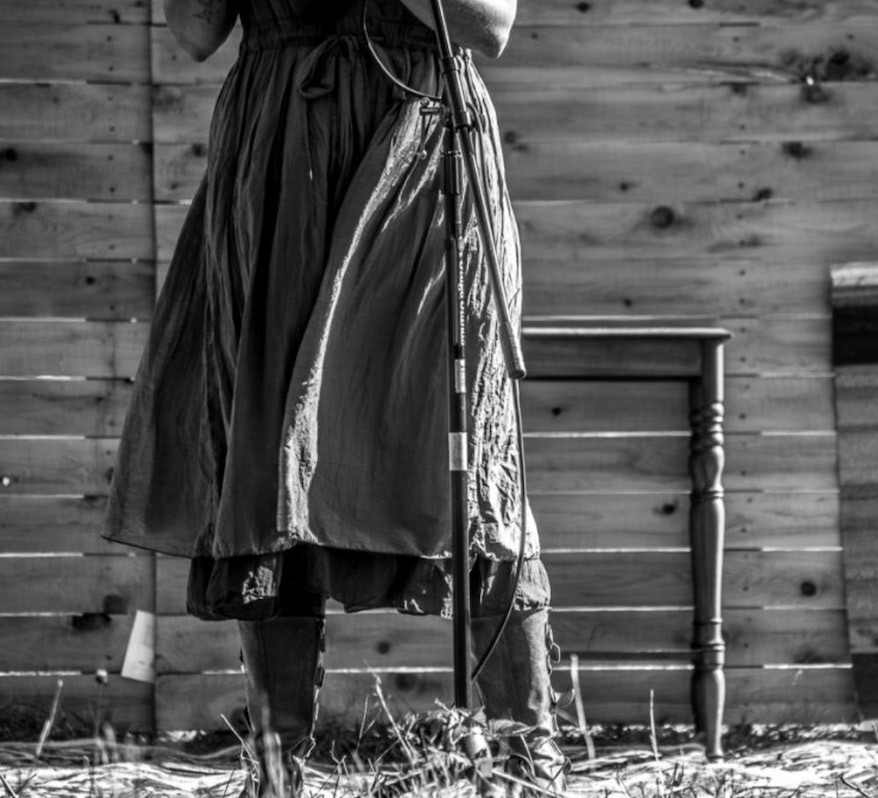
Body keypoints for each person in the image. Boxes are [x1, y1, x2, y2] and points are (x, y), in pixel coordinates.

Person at [101, 0, 565, 794]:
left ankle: (529, 760)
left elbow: (487, 26)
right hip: (279, 159)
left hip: (422, 151)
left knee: (464, 453)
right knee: (265, 446)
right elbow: (196, 30)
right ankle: (278, 768)